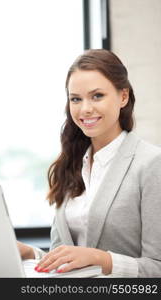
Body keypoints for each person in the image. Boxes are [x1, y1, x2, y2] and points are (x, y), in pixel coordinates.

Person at [18, 49, 161, 277]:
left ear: (123, 96)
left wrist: (100, 259)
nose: (85, 108)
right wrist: (32, 255)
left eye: (97, 96)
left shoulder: (152, 164)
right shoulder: (72, 164)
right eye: (76, 99)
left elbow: (157, 267)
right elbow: (69, 259)